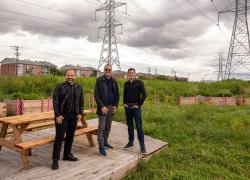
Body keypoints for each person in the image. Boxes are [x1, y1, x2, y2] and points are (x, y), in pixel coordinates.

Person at [51, 69, 84, 170]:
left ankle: (67, 155)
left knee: (70, 136)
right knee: (59, 137)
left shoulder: (79, 87)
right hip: (62, 116)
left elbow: (81, 101)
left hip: (74, 116)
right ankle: (55, 160)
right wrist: (57, 115)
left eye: (72, 75)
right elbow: (55, 102)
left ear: (75, 76)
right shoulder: (60, 87)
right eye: (68, 75)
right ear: (65, 76)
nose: (70, 77)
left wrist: (80, 113)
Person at [94, 64, 119, 156]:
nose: (108, 71)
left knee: (108, 126)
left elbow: (117, 94)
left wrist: (116, 105)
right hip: (103, 108)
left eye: (109, 70)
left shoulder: (114, 80)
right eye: (106, 69)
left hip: (111, 106)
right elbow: (96, 95)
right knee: (101, 127)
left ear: (111, 70)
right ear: (104, 70)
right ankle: (101, 146)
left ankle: (105, 142)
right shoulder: (99, 80)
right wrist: (102, 106)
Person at [123, 68, 147, 155]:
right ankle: (130, 142)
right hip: (128, 108)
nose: (131, 74)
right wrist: (124, 103)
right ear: (128, 74)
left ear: (135, 74)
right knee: (129, 126)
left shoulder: (140, 83)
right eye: (129, 73)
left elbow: (144, 95)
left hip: (136, 107)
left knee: (139, 127)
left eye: (132, 73)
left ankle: (142, 146)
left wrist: (139, 105)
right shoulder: (126, 83)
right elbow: (124, 94)